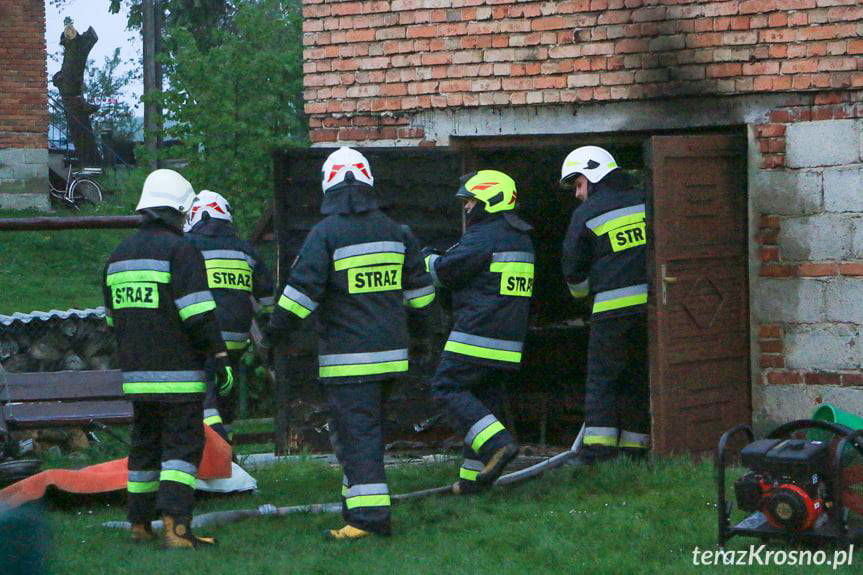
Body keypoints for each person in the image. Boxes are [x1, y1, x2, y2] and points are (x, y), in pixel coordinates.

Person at [268, 147, 434, 540]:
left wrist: (274, 334)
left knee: (358, 435)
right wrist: (423, 339)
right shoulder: (398, 232)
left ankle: (368, 521)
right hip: (392, 358)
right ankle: (353, 507)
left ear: (329, 185)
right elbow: (422, 297)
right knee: (357, 433)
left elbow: (299, 296)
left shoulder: (326, 234)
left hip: (349, 361)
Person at [103, 169, 233, 548]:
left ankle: (139, 526)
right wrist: (220, 354)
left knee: (144, 447)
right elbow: (198, 313)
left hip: (137, 376)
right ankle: (177, 529)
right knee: (181, 449)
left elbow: (112, 319)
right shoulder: (181, 250)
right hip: (178, 374)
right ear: (180, 211)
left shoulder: (118, 254)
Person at [424, 170, 533, 495]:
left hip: (476, 335)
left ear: (490, 198)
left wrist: (425, 258)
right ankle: (474, 483)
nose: (467, 206)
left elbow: (444, 273)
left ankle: (499, 445)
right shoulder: (521, 238)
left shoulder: (484, 236)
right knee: (481, 404)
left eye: (471, 200)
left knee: (446, 388)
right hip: (507, 342)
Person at [560, 146, 650, 466]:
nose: (577, 194)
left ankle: (597, 453)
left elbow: (573, 268)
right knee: (639, 377)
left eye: (578, 184)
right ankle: (635, 450)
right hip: (652, 312)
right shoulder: (646, 200)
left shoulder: (587, 213)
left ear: (592, 176)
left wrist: (581, 296)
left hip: (611, 312)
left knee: (604, 380)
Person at [184, 190, 275, 443]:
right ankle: (228, 452)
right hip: (236, 342)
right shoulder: (245, 251)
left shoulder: (189, 246)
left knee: (206, 396)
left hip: (203, 338)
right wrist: (271, 331)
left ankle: (220, 450)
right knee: (226, 398)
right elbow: (268, 297)